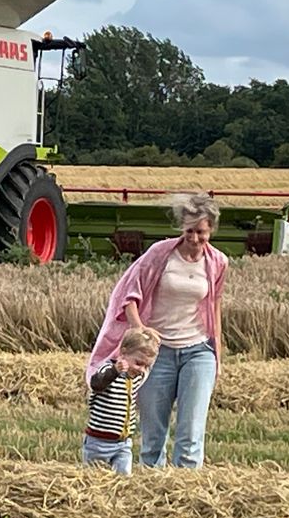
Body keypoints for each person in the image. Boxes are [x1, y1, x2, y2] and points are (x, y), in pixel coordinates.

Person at [85, 193, 228, 469]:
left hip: (198, 351)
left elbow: (215, 306)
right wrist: (140, 330)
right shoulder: (160, 254)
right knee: (153, 434)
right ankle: (151, 490)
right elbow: (129, 296)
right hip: (157, 354)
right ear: (180, 228)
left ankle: (185, 494)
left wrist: (217, 353)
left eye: (201, 232)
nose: (195, 238)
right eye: (189, 231)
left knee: (191, 432)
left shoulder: (218, 262)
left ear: (211, 230)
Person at [82, 326, 160, 475]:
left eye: (146, 366)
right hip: (98, 442)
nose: (141, 369)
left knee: (124, 480)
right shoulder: (108, 370)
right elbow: (96, 384)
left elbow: (149, 359)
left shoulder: (136, 377)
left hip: (123, 444)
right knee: (93, 480)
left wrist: (153, 341)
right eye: (138, 363)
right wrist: (115, 371)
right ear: (123, 352)